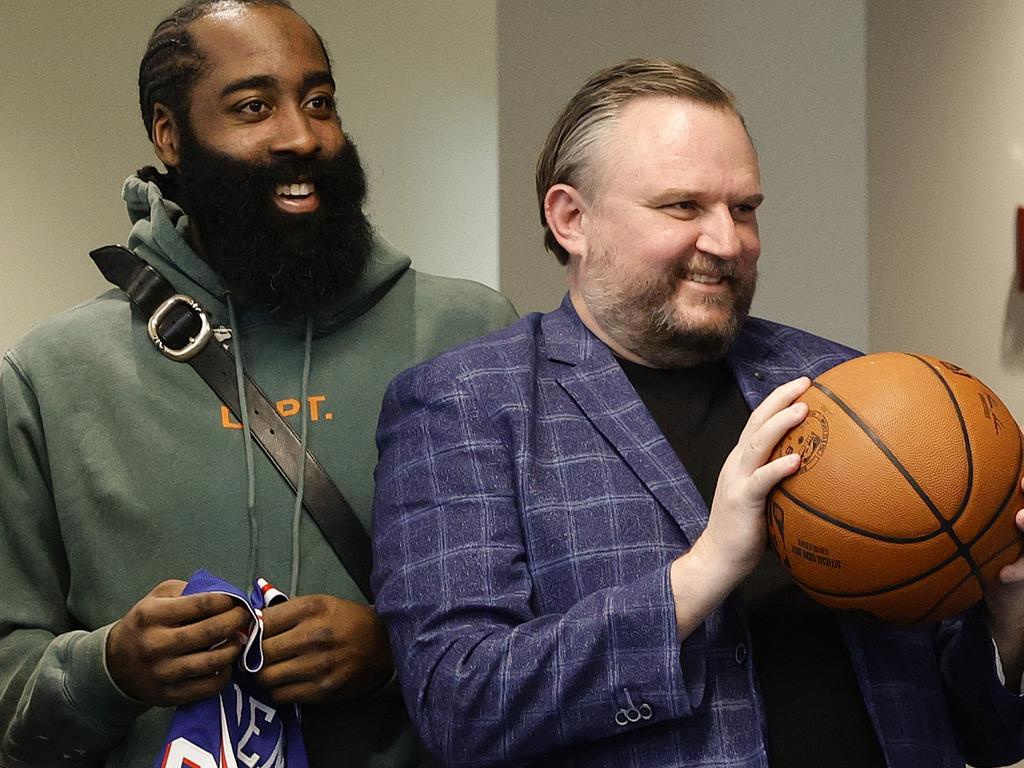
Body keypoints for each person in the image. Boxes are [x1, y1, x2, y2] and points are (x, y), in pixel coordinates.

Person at [371, 59, 1024, 767]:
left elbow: (981, 730)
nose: (728, 242)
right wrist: (706, 569)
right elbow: (462, 705)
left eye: (744, 208)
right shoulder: (466, 405)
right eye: (683, 207)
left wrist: (1009, 619)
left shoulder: (840, 384)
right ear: (571, 218)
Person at [0, 1, 516, 766]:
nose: (302, 136)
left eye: (319, 101)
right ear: (168, 134)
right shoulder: (50, 375)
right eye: (253, 107)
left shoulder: (467, 335)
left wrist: (396, 651)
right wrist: (111, 668)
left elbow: (557, 623)